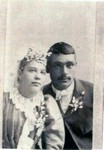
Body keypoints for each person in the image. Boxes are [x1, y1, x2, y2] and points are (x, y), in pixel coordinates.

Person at [3, 48, 65, 149]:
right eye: (32, 70)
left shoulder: (47, 104)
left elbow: (54, 144)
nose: (38, 77)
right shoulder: (4, 100)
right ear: (20, 73)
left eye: (42, 72)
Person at [43, 42, 93, 149]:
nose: (64, 72)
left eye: (69, 65)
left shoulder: (94, 92)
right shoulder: (39, 95)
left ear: (76, 66)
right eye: (57, 65)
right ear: (47, 68)